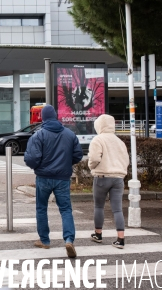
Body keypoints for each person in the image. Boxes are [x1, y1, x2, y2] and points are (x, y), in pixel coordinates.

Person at [24, 105, 83, 258]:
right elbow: (78, 155)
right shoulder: (69, 134)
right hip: (62, 178)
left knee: (41, 208)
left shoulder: (38, 136)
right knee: (65, 209)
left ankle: (45, 240)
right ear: (55, 116)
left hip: (43, 178)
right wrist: (65, 163)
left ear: (43, 118)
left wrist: (38, 166)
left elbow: (31, 159)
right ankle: (69, 239)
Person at [87, 114, 130, 249]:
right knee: (117, 209)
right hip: (118, 178)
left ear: (99, 125)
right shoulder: (119, 141)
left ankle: (98, 234)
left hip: (102, 177)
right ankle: (120, 239)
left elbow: (94, 158)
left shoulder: (98, 139)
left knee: (99, 206)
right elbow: (126, 160)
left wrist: (92, 167)